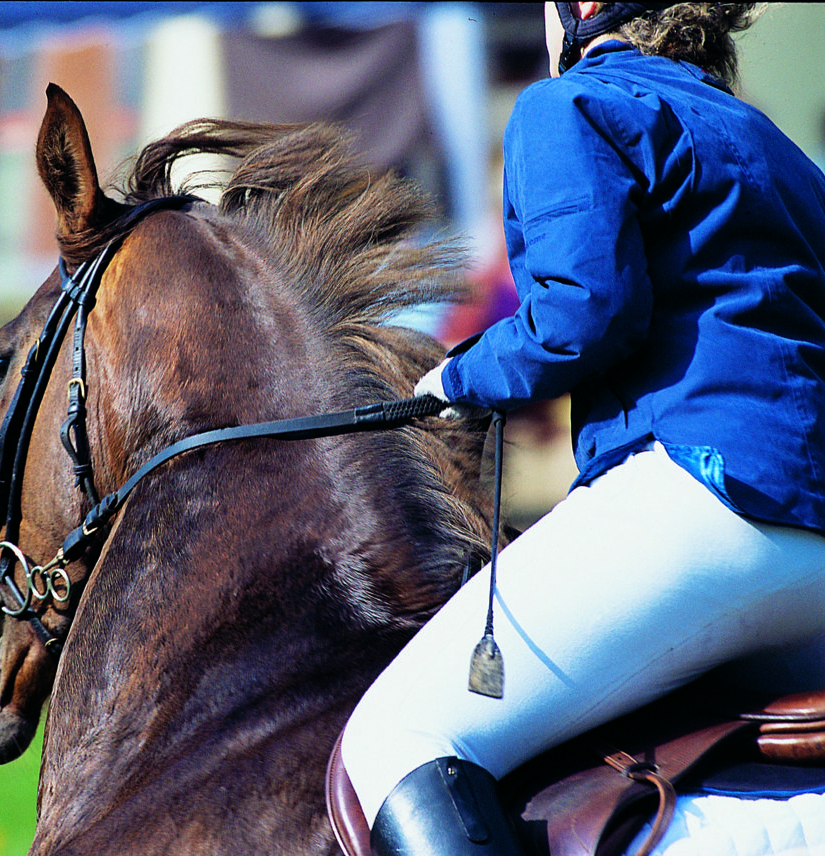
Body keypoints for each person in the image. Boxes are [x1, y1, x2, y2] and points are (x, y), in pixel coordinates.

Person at [341, 4, 825, 855]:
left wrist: (457, 379)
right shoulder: (773, 142)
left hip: (706, 499)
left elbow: (583, 313)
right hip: (810, 546)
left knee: (399, 739)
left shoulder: (568, 103)